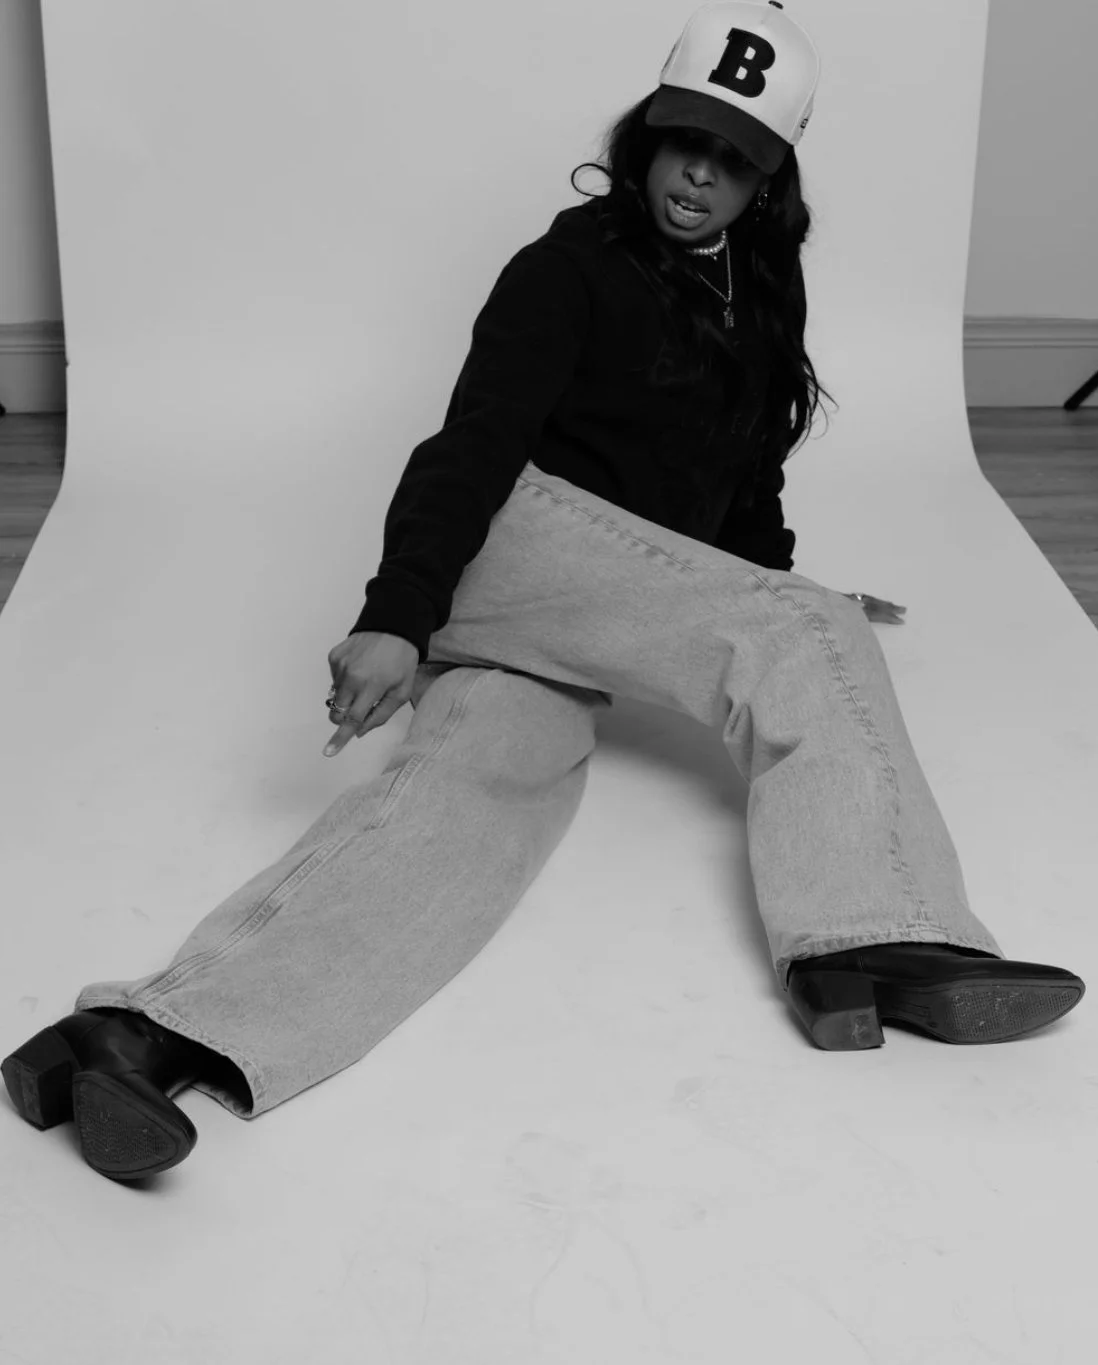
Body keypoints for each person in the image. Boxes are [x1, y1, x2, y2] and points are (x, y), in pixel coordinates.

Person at [3, 1, 1084, 1184]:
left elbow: (746, 480)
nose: (698, 178)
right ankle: (873, 937)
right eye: (686, 142)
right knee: (804, 630)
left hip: (592, 608)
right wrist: (395, 616)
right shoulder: (563, 271)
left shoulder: (762, 292)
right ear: (646, 136)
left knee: (473, 797)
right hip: (517, 550)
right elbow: (467, 449)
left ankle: (147, 1034)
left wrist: (753, 584)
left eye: (734, 161)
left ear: (768, 181)